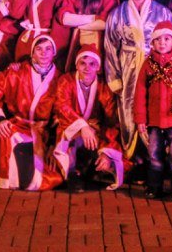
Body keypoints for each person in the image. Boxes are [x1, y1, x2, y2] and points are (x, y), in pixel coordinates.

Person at [103, 0, 172, 158]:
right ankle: (134, 157)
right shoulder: (117, 14)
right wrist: (114, 77)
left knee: (155, 108)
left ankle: (156, 158)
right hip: (129, 68)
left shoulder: (163, 12)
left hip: (155, 68)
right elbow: (110, 47)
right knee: (129, 108)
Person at [0, 33, 62, 191]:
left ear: (54, 53)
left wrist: (54, 143)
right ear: (32, 53)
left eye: (48, 49)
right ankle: (12, 181)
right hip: (18, 125)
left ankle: (30, 177)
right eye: (39, 49)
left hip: (42, 132)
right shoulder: (16, 72)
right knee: (8, 133)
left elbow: (61, 115)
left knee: (49, 175)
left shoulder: (60, 79)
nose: (44, 53)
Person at [133, 23, 172, 198]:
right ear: (152, 43)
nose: (162, 43)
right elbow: (140, 93)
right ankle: (154, 186)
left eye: (166, 39)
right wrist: (140, 120)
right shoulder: (148, 65)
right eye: (158, 39)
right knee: (154, 154)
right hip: (154, 120)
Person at [53, 47, 126, 191]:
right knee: (70, 139)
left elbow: (112, 122)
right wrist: (82, 126)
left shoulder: (104, 87)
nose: (87, 68)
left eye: (92, 64)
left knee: (112, 157)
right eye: (83, 63)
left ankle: (96, 167)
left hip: (95, 131)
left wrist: (106, 153)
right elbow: (62, 107)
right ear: (76, 65)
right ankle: (72, 173)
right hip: (70, 128)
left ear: (98, 67)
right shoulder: (65, 81)